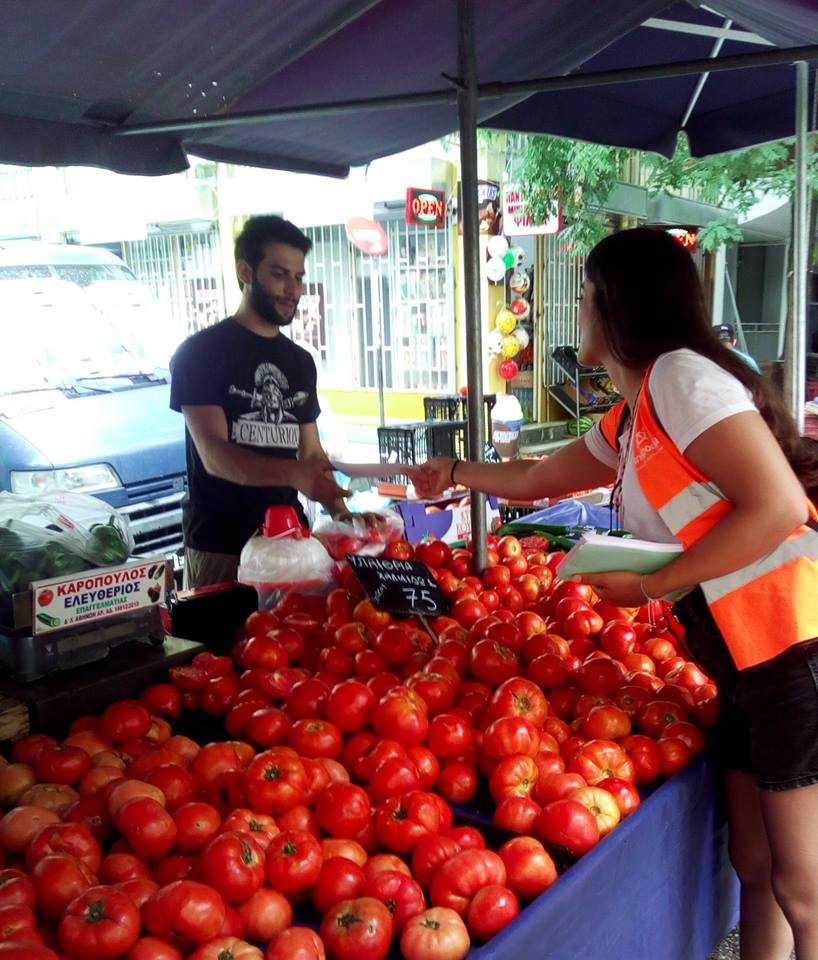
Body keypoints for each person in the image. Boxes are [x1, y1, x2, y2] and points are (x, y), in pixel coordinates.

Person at [412, 227, 818, 960]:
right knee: (756, 867)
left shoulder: (679, 379)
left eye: (585, 294)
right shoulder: (635, 413)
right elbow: (539, 478)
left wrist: (651, 585)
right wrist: (455, 473)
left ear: (614, 305)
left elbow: (780, 506)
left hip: (794, 645)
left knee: (804, 890)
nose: (579, 309)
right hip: (742, 655)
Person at [170, 215, 346, 589]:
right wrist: (294, 473)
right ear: (245, 271)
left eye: (298, 277)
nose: (293, 289)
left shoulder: (300, 362)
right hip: (222, 548)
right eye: (279, 274)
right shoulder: (200, 353)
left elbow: (311, 453)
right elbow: (214, 455)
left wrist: (344, 515)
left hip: (291, 543)